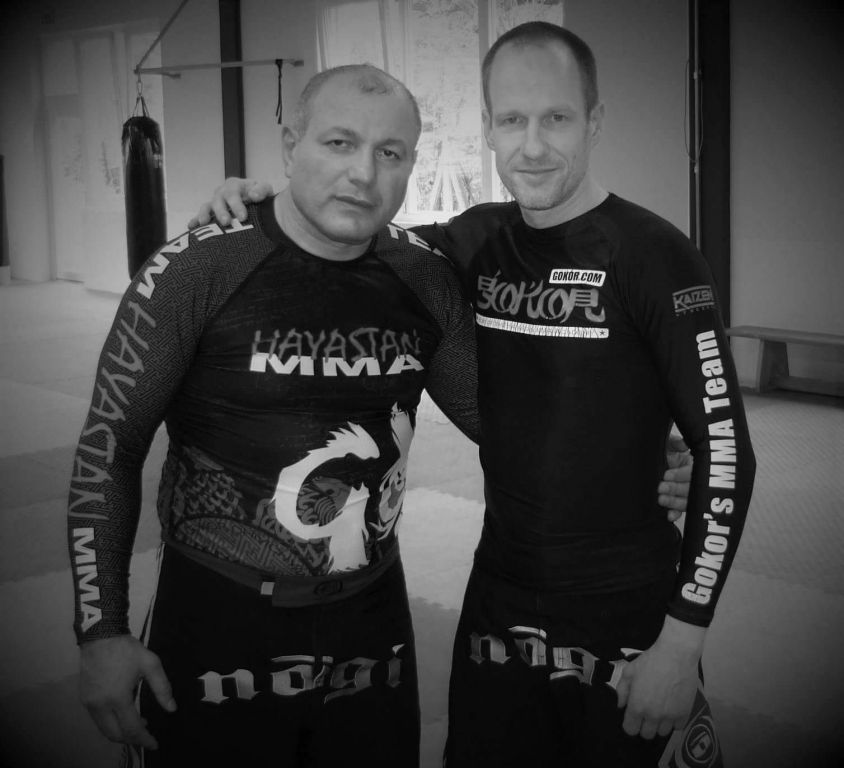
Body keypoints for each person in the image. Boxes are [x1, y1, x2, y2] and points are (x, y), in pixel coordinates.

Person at [194, 21, 755, 768]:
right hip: (500, 595)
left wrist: (683, 642)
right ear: (487, 126)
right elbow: (346, 232)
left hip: (627, 602)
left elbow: (727, 451)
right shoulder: (473, 242)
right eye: (512, 120)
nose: (533, 145)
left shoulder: (657, 257)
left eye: (557, 118)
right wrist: (263, 198)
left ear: (594, 121)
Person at [69, 63, 484, 768]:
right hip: (217, 614)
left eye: (390, 153)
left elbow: (504, 424)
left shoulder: (424, 276)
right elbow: (110, 448)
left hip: (369, 619)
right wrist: (100, 630)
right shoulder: (195, 270)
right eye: (339, 143)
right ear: (291, 145)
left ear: (412, 164)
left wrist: (648, 462)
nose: (363, 174)